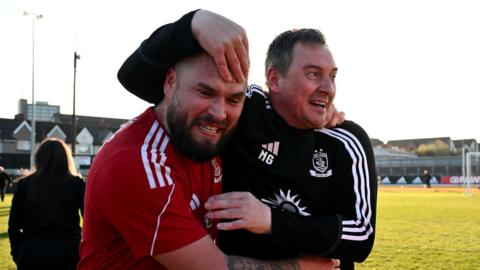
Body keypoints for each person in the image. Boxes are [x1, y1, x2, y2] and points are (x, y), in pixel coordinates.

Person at [117, 9, 377, 270]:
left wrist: (270, 220)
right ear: (274, 79)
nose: (328, 88)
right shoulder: (242, 110)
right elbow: (136, 78)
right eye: (313, 74)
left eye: (332, 76)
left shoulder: (346, 139)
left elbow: (361, 236)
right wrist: (194, 23)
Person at [8, 138, 85, 270]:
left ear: (39, 158)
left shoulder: (24, 184)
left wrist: (18, 253)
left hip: (32, 252)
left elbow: (13, 225)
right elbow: (90, 221)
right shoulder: (77, 184)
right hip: (68, 253)